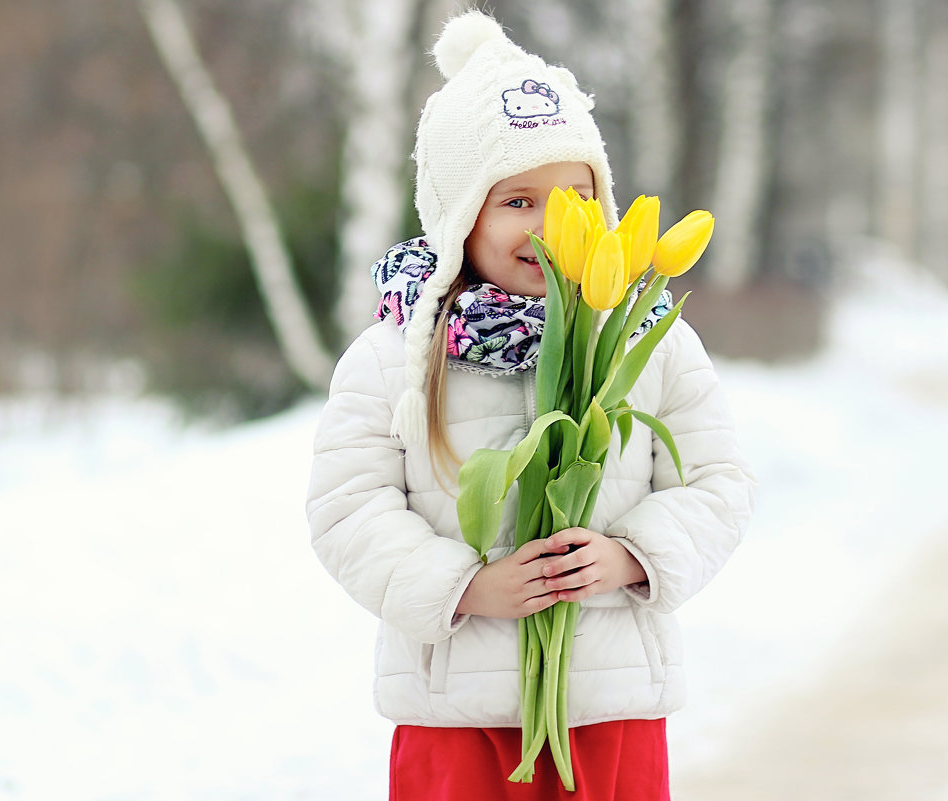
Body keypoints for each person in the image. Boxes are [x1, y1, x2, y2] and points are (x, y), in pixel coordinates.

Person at [306, 11, 757, 801]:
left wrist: (631, 557)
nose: (552, 225)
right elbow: (348, 508)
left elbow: (718, 482)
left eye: (576, 197)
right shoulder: (397, 352)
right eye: (518, 200)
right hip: (457, 715)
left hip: (607, 708)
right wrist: (465, 587)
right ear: (458, 214)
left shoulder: (644, 338)